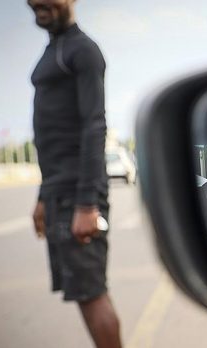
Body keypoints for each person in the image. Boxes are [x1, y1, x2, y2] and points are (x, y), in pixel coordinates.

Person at [28, 1, 121, 347]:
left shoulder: (83, 50)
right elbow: (53, 139)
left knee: (91, 291)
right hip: (58, 191)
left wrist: (86, 204)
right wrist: (42, 195)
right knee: (83, 293)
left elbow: (94, 125)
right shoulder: (55, 49)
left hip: (77, 195)